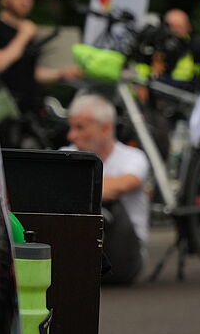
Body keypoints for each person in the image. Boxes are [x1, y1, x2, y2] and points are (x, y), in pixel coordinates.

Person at [63, 93, 150, 286]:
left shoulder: (133, 157)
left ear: (105, 129)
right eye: (71, 127)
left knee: (105, 207)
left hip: (125, 256)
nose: (71, 135)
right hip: (79, 257)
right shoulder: (65, 154)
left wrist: (69, 189)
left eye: (80, 127)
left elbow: (123, 185)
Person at [0, 0, 67, 116]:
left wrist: (62, 74)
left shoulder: (28, 31)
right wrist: (23, 35)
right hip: (7, 106)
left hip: (31, 107)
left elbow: (31, 71)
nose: (26, 0)